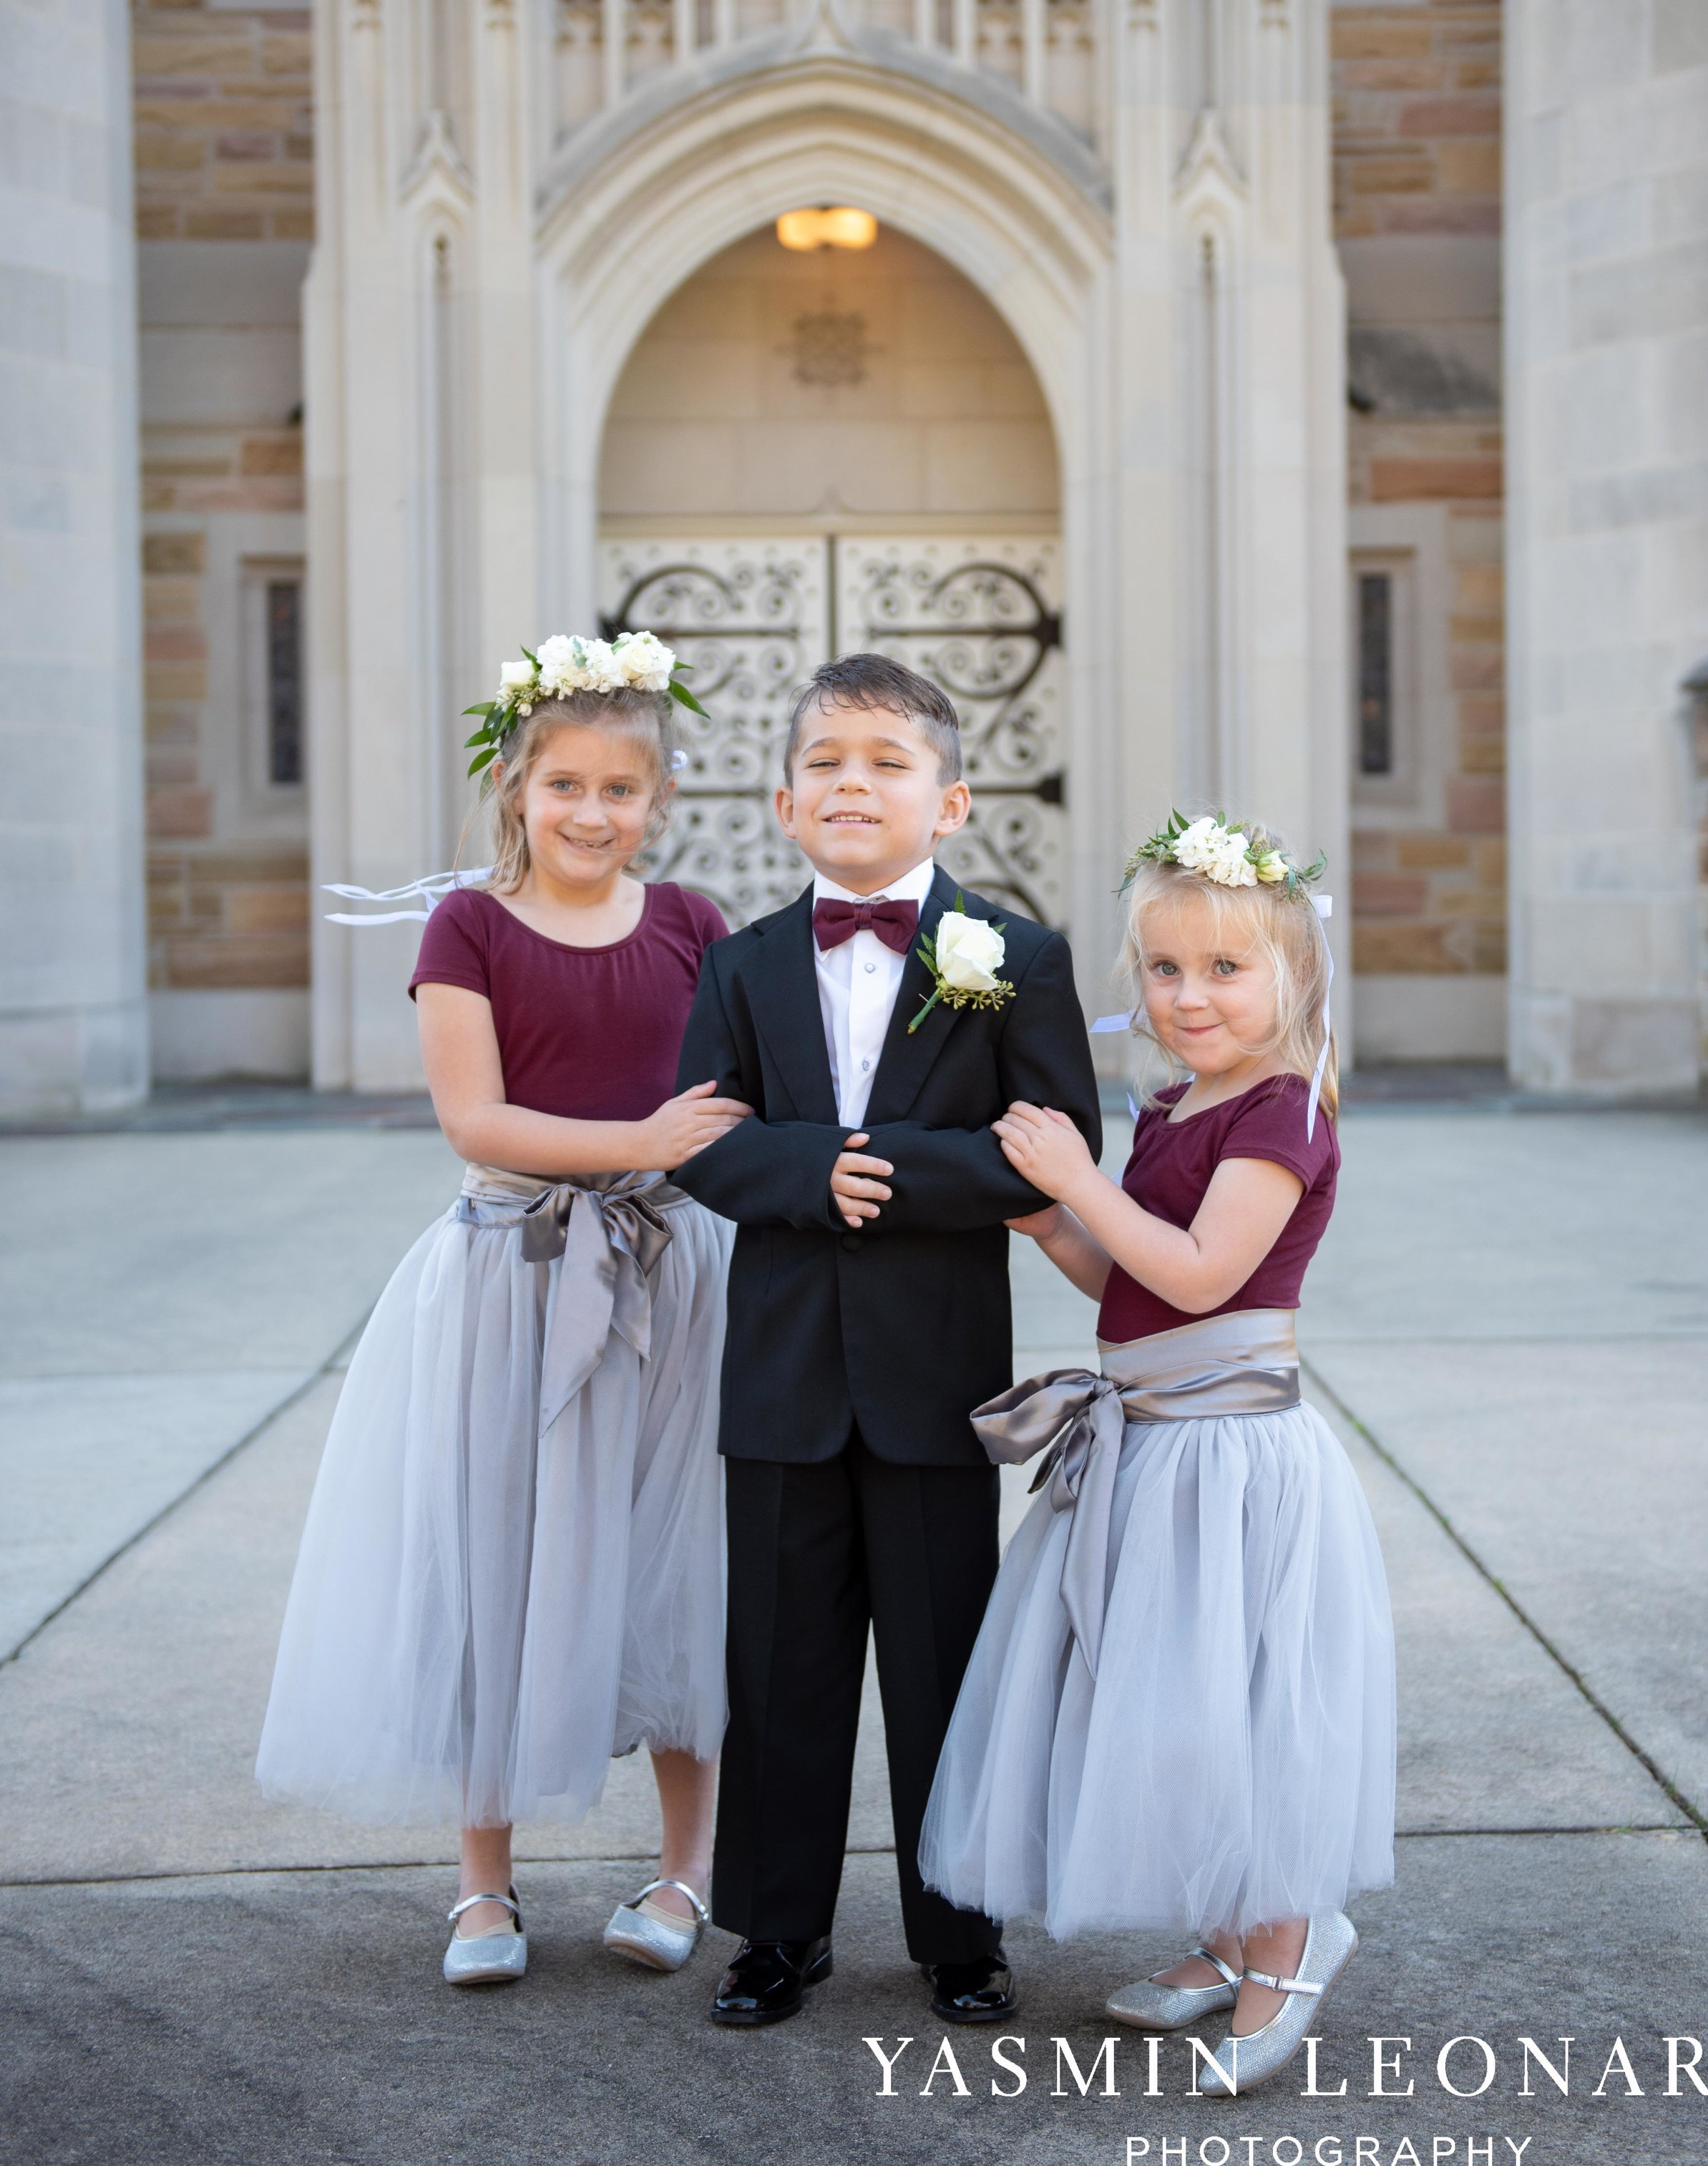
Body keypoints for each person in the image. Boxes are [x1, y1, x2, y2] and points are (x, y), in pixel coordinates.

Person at [256, 632, 747, 1989]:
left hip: (669, 1268)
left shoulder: (694, 924)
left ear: (659, 801)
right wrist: (646, 1136)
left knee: (673, 1552)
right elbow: (474, 1116)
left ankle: (685, 1867)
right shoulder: (467, 927)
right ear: (515, 785)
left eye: (621, 791)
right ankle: (483, 1886)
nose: (593, 815)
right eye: (566, 786)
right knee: (499, 1553)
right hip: (516, 1271)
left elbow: (736, 1102)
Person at [919, 809, 1397, 2094]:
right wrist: (1038, 1209)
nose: (1190, 998)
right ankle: (1227, 1930)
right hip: (1147, 1445)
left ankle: (1294, 1935)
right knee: (1168, 1709)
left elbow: (1198, 1272)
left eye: (1227, 970)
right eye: (1168, 970)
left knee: (1241, 1709)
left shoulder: (1283, 1113)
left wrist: (1080, 1182)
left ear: (1297, 976)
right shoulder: (1183, 1102)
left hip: (1231, 1459)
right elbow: (1120, 1273)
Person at [672, 654, 1105, 2029]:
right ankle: (775, 1932)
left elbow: (1056, 1154)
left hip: (934, 1378)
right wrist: (812, 1174)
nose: (856, 780)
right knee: (780, 1668)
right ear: (786, 803)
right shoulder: (739, 963)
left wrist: (896, 1173)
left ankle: (960, 1933)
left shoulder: (1016, 959)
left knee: (942, 1666)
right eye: (829, 762)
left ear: (953, 799)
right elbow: (700, 1139)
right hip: (783, 1378)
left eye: (889, 759)